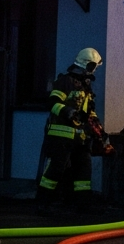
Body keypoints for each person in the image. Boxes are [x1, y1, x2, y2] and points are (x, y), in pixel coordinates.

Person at [37, 48, 104, 212]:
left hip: (81, 138)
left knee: (83, 170)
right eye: (93, 67)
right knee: (56, 169)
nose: (94, 71)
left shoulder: (86, 87)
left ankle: (82, 205)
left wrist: (99, 131)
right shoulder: (65, 81)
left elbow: (89, 113)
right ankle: (43, 203)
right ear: (88, 65)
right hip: (61, 137)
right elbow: (52, 102)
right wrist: (68, 111)